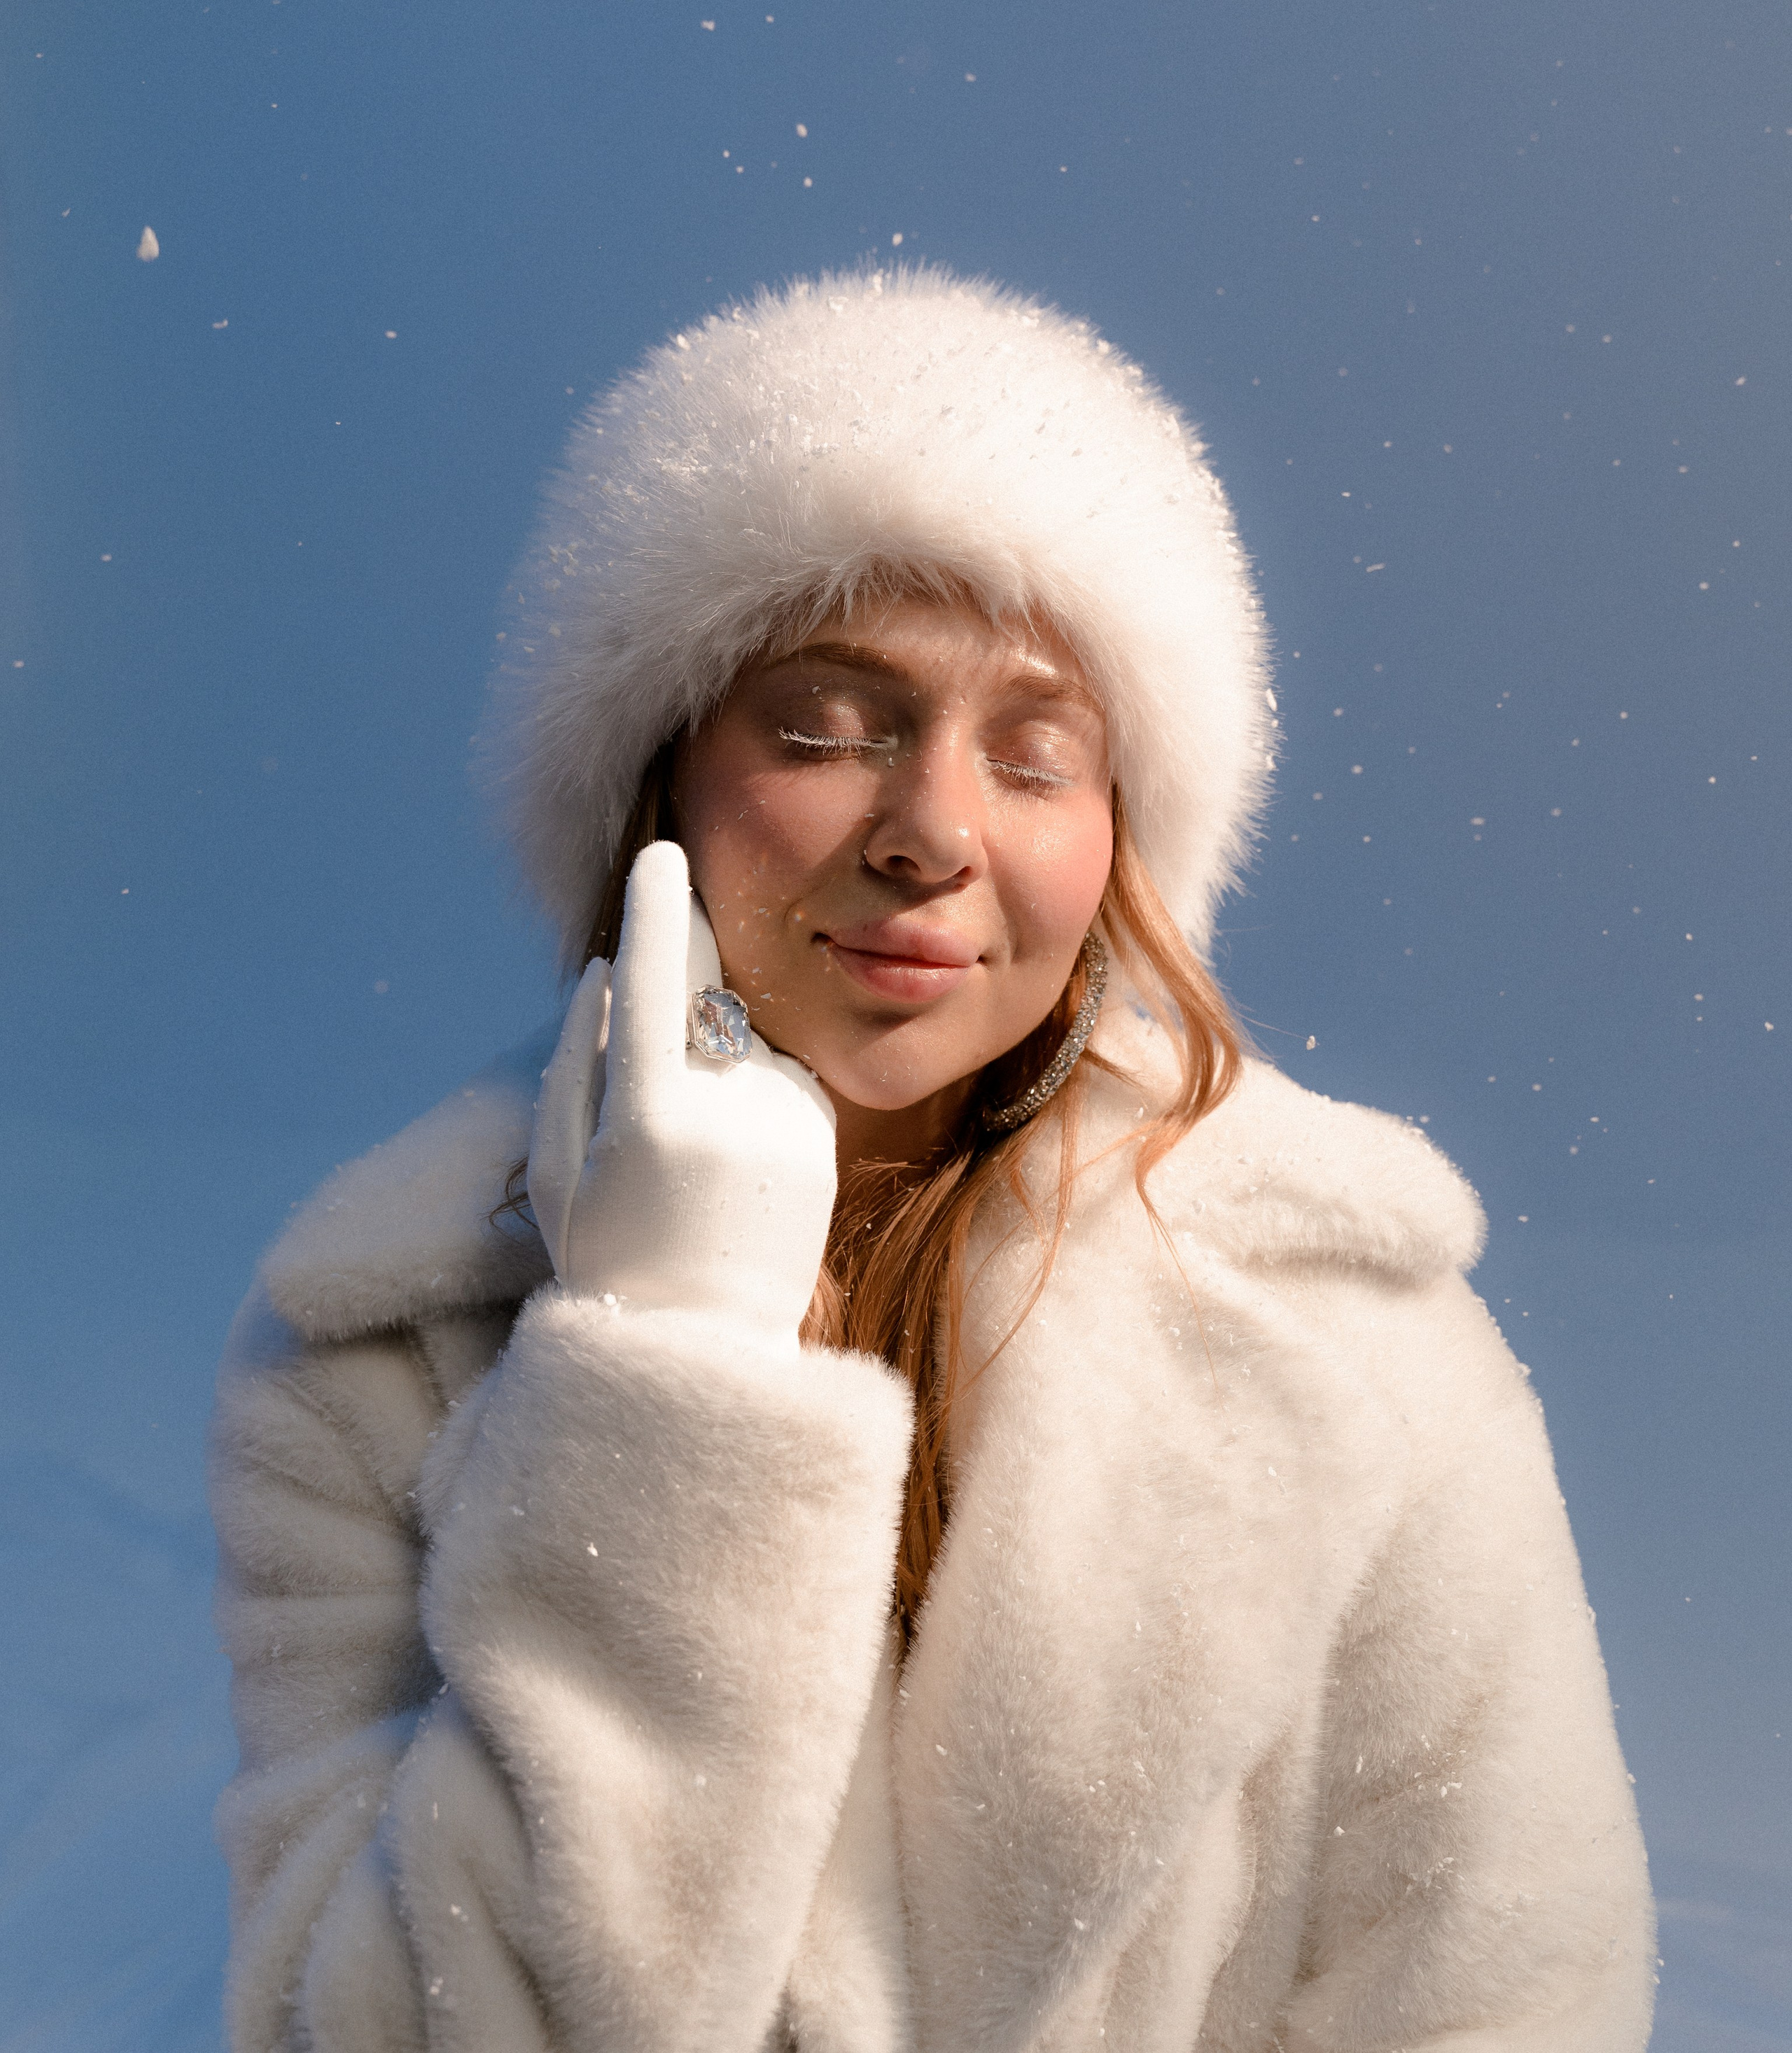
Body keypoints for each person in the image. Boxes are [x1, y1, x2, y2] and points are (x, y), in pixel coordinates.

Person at [209, 265, 1655, 2052]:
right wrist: (670, 1371)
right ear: (653, 784)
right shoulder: (376, 1355)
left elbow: (1507, 2002)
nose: (932, 832)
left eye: (1037, 757)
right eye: (823, 729)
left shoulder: (1362, 1347)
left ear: (1120, 844)